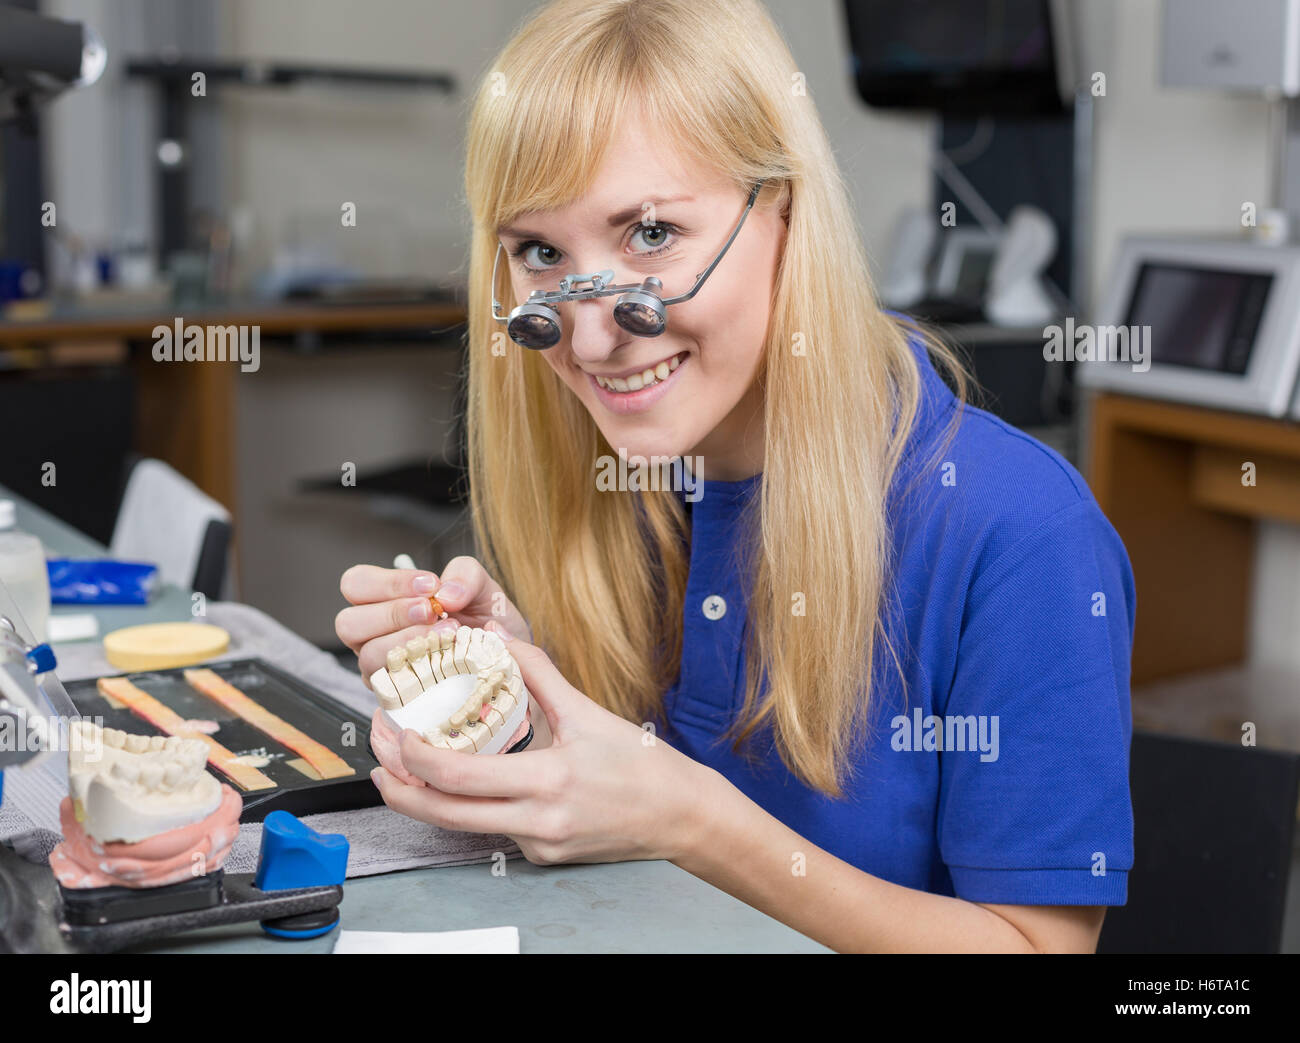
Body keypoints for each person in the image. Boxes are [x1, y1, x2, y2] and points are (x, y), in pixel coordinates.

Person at [335, 0, 1134, 953]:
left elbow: (1038, 950)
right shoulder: (637, 469)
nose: (592, 340)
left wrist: (692, 821)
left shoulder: (1021, 531)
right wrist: (520, 701)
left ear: (787, 210)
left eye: (652, 234)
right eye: (541, 253)